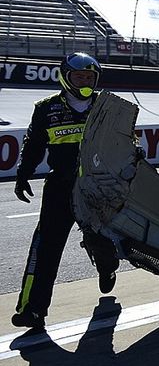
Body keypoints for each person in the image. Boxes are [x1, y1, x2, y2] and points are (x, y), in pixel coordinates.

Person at [12, 52, 119, 330]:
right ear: (66, 77)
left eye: (89, 77)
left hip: (98, 188)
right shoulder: (46, 108)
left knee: (103, 240)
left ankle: (108, 267)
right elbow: (33, 145)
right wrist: (23, 174)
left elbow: (126, 145)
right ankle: (32, 310)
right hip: (60, 187)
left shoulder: (108, 107)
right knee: (45, 246)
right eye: (79, 76)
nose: (84, 81)